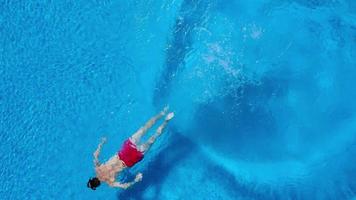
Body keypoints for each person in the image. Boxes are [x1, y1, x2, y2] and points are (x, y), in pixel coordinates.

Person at [87, 107, 174, 190]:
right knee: (144, 129)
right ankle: (162, 113)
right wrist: (101, 143)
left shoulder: (110, 182)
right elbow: (95, 154)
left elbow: (125, 186)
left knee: (153, 137)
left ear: (98, 185)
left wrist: (136, 179)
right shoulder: (97, 168)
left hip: (130, 160)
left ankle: (166, 121)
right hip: (125, 150)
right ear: (93, 178)